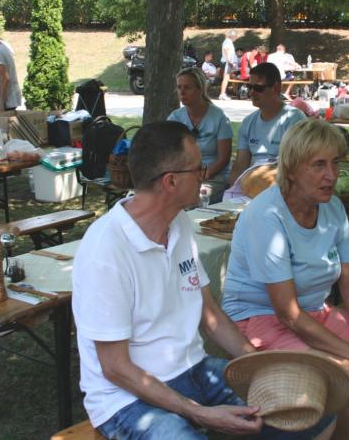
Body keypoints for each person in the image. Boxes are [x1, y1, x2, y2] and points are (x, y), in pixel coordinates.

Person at [72, 121, 335, 440]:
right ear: (170, 181)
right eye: (198, 168)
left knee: (309, 413)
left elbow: (210, 316)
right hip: (125, 398)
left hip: (193, 369)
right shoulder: (107, 249)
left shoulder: (178, 223)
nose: (205, 174)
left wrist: (260, 366)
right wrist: (198, 412)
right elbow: (115, 368)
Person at [221, 118, 349, 439]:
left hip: (314, 314)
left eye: (335, 163)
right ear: (291, 170)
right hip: (259, 319)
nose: (332, 175)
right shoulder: (267, 216)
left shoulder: (332, 208)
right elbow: (288, 315)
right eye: (318, 165)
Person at [228, 63, 306, 186]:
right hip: (252, 184)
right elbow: (240, 166)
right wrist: (230, 191)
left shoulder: (294, 120)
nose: (251, 93)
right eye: (249, 87)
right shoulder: (248, 122)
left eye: (258, 88)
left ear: (275, 88)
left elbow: (295, 167)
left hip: (283, 186)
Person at [167, 67, 233, 203]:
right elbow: (169, 154)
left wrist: (202, 175)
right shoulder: (175, 117)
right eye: (179, 87)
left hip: (213, 177)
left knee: (194, 200)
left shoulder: (219, 117)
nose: (182, 92)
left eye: (187, 88)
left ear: (200, 89)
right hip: (184, 176)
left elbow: (223, 159)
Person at [219, 29, 239, 101]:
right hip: (227, 62)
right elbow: (226, 49)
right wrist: (230, 60)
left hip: (227, 62)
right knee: (226, 78)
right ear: (233, 35)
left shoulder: (228, 41)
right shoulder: (228, 41)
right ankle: (222, 94)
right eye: (236, 36)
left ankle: (223, 94)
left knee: (226, 78)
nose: (236, 37)